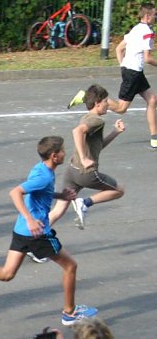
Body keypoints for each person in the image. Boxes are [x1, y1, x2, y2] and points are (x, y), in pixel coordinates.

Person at [0, 136, 99, 327]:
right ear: (54, 155)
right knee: (70, 266)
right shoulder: (44, 176)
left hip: (22, 231)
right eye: (63, 151)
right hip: (37, 233)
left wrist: (61, 195)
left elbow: (39, 191)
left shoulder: (41, 169)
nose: (65, 153)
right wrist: (30, 219)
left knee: (6, 274)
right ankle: (70, 312)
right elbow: (15, 192)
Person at [69, 3, 157, 149]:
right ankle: (86, 96)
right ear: (147, 16)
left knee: (152, 99)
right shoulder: (147, 32)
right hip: (133, 73)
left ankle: (154, 137)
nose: (155, 17)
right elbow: (148, 58)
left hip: (133, 71)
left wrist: (124, 66)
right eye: (154, 14)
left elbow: (119, 49)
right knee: (121, 108)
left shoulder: (135, 29)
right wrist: (128, 69)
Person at [49, 84, 125, 230]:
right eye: (105, 101)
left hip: (72, 170)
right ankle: (85, 203)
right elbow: (77, 131)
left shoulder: (87, 117)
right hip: (86, 173)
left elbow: (97, 147)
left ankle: (35, 237)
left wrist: (115, 132)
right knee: (119, 190)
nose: (108, 105)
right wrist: (84, 159)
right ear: (97, 103)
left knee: (58, 210)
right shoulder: (97, 120)